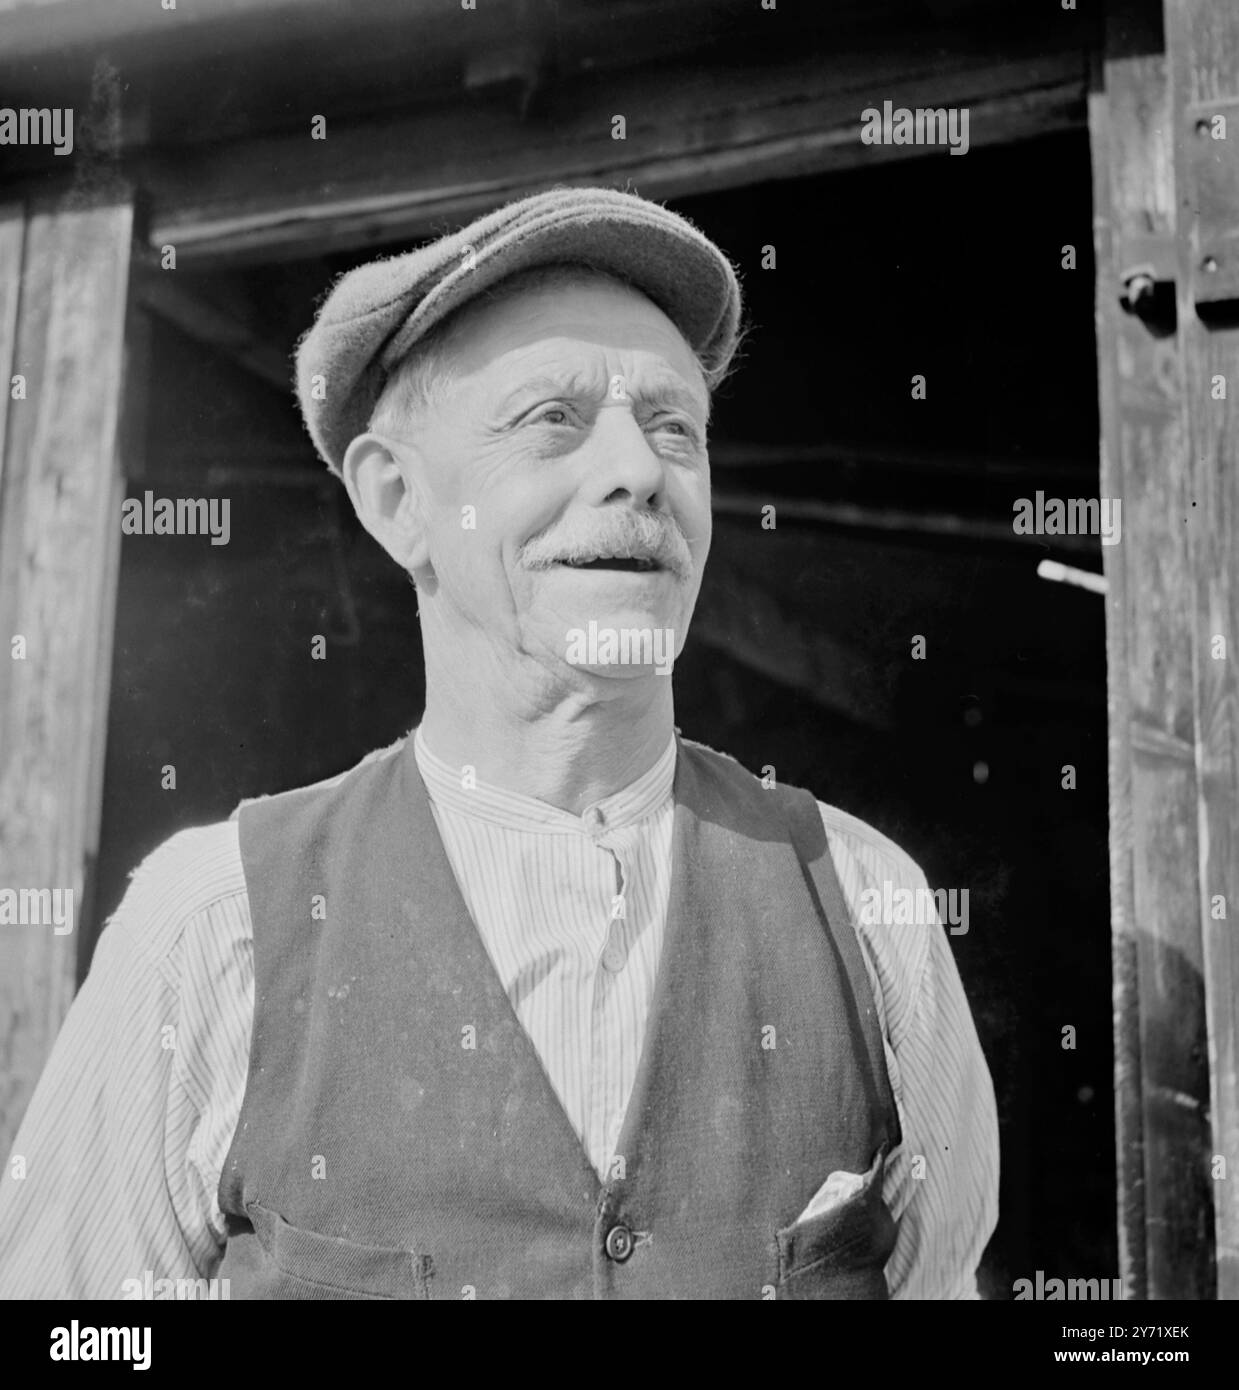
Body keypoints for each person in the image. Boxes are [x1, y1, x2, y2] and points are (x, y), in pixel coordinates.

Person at [0, 186, 998, 1300]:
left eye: (676, 427)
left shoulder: (868, 906)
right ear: (397, 501)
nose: (639, 471)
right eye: (552, 419)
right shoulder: (212, 926)